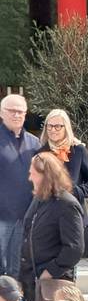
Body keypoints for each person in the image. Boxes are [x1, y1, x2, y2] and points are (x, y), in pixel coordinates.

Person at [19, 152, 84, 301]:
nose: (29, 177)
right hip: (31, 282)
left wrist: (49, 272)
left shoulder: (66, 204)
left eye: (32, 172)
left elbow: (74, 248)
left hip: (52, 286)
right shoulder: (39, 200)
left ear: (45, 175)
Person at [0, 94, 40, 276]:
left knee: (18, 269)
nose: (17, 115)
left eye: (20, 111)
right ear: (2, 112)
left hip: (26, 216)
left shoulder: (34, 143)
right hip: (2, 217)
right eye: (12, 111)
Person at [37, 109, 88, 212]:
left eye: (58, 126)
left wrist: (77, 192)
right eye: (49, 126)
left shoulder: (78, 150)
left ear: (66, 128)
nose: (53, 130)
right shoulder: (40, 153)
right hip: (47, 214)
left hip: (73, 211)